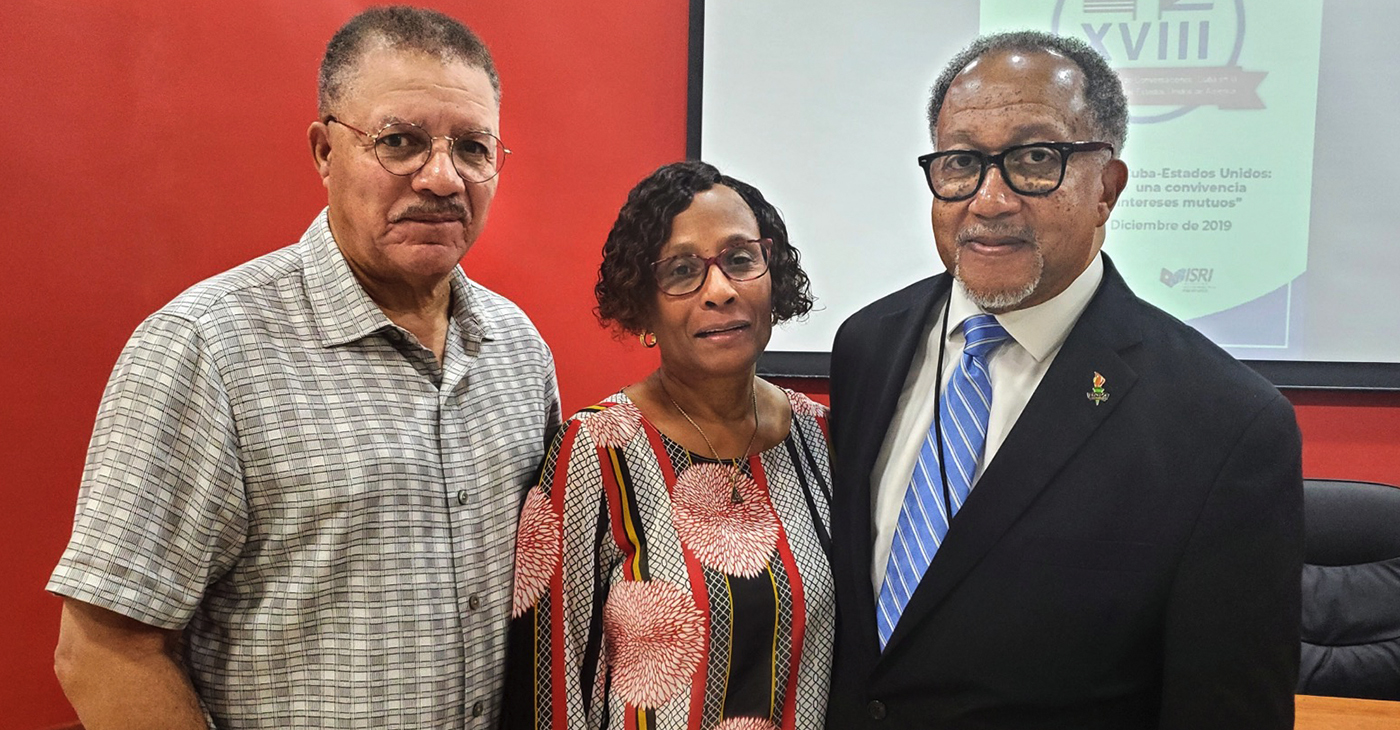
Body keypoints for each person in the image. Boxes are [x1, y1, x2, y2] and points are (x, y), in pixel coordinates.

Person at [48, 7, 559, 728]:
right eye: (401, 141)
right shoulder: (206, 349)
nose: (443, 178)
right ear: (325, 150)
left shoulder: (519, 351)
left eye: (472, 148)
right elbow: (102, 649)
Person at [825, 31, 1303, 729]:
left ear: (1107, 188)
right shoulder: (868, 343)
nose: (988, 200)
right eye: (961, 162)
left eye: (1034, 158)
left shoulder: (1225, 425)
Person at [505, 161, 834, 729]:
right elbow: (550, 684)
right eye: (683, 271)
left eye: (740, 259)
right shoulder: (597, 448)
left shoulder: (823, 437)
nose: (721, 291)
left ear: (772, 271)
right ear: (642, 306)